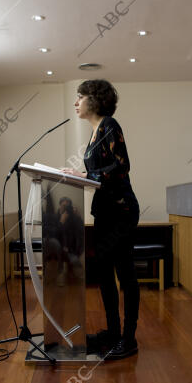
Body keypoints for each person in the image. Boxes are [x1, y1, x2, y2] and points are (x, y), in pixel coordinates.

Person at [61, 79, 140, 360]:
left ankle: (129, 339)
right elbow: (99, 173)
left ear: (94, 100)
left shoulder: (109, 125)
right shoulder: (95, 132)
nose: (76, 103)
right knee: (105, 275)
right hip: (105, 212)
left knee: (125, 275)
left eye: (79, 97)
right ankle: (113, 332)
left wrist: (87, 176)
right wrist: (77, 175)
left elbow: (122, 166)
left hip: (121, 212)